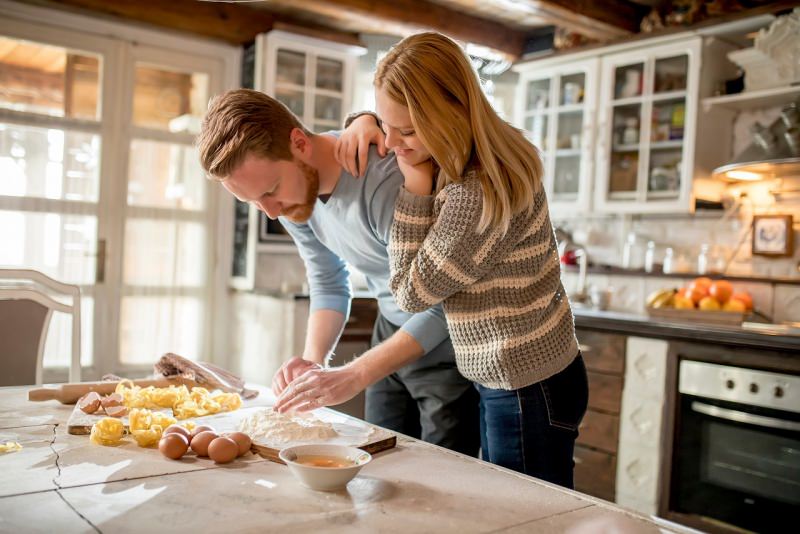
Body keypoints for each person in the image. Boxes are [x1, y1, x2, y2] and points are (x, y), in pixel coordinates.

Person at [275, 32, 588, 489]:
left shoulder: (474, 193)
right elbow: (396, 127)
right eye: (386, 124)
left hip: (526, 384)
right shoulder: (472, 155)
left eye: (407, 131)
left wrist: (415, 186)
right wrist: (362, 121)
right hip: (516, 374)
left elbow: (410, 292)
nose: (393, 143)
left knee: (529, 511)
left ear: (452, 114)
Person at [197, 88, 479, 457]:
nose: (270, 211)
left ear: (299, 143)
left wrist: (356, 374)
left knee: (444, 474)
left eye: (270, 191)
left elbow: (440, 302)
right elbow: (328, 282)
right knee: (380, 462)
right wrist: (314, 361)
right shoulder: (297, 199)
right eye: (254, 202)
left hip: (448, 346)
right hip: (389, 333)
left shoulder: (383, 182)